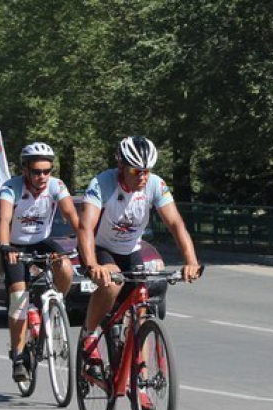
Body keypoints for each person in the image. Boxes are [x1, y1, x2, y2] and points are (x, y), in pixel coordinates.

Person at [77, 135, 202, 376]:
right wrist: (92, 264)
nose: (143, 177)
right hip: (100, 248)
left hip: (130, 249)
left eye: (147, 171)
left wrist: (191, 261)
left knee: (141, 309)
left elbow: (175, 223)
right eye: (136, 171)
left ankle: (140, 377)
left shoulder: (155, 184)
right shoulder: (102, 183)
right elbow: (85, 227)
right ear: (121, 166)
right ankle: (89, 334)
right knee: (113, 283)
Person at [0, 142, 80, 383]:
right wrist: (5, 247)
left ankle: (55, 307)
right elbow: (3, 220)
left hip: (41, 242)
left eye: (47, 171)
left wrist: (87, 244)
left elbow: (72, 215)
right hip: (15, 246)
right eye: (36, 171)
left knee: (65, 266)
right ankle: (19, 355)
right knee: (18, 299)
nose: (42, 176)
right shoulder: (10, 188)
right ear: (25, 170)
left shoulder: (56, 186)